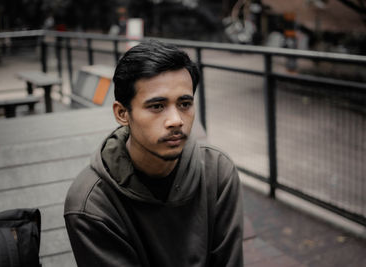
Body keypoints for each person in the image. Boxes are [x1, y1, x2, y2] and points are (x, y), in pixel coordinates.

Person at [64, 40, 243, 267]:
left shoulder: (217, 171)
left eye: (185, 103)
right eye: (157, 106)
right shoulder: (91, 203)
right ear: (122, 113)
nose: (176, 120)